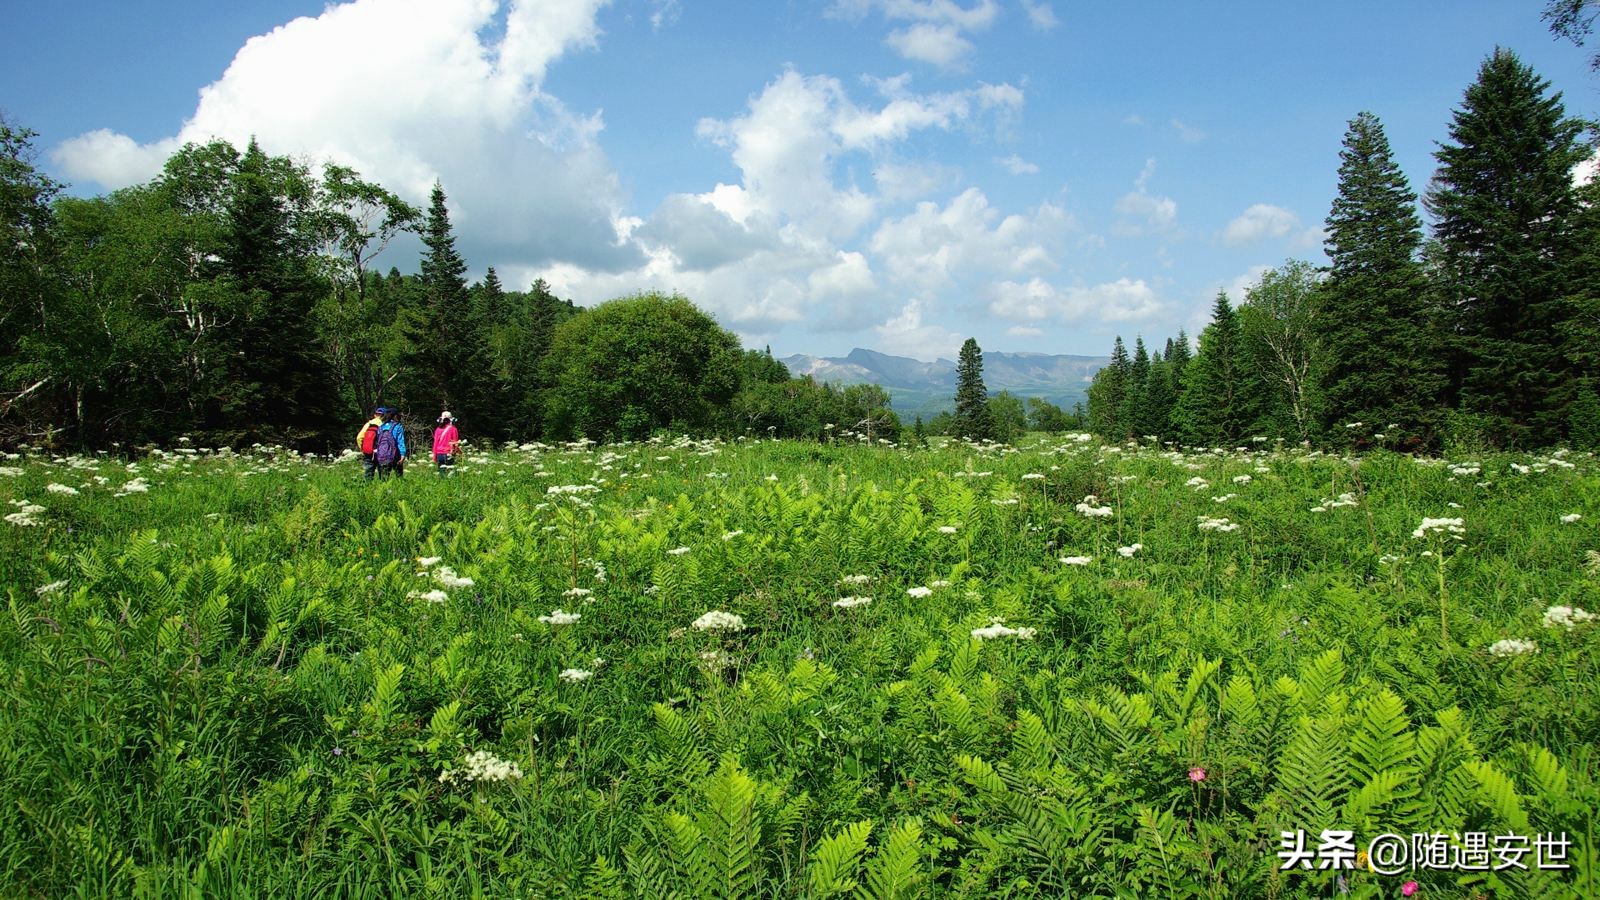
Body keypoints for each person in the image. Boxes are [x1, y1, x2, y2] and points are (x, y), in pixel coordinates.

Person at [372, 408, 408, 478]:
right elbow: (400, 441)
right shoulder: (397, 426)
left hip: (382, 454)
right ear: (394, 416)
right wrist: (403, 454)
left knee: (384, 477)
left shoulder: (380, 427)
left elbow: (377, 442)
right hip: (395, 454)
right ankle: (400, 487)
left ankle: (384, 488)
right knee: (399, 476)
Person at [356, 406, 386, 480]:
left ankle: (367, 488)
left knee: (368, 472)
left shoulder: (369, 424)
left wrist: (363, 448)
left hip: (369, 452)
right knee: (383, 474)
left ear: (375, 415)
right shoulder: (385, 424)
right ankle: (384, 489)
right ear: (385, 415)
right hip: (382, 452)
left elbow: (359, 437)